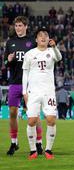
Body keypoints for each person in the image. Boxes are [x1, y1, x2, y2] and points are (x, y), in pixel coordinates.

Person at [3, 16, 43, 156]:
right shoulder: (10, 42)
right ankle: (14, 142)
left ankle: (39, 143)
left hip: (31, 84)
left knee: (34, 115)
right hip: (14, 83)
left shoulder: (32, 41)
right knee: (13, 114)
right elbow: (5, 64)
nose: (18, 28)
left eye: (20, 25)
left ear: (26, 26)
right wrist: (8, 61)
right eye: (16, 26)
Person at [22, 27, 62, 159]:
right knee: (32, 120)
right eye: (40, 35)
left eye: (46, 35)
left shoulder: (52, 51)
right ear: (36, 39)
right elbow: (25, 73)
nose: (43, 37)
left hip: (49, 91)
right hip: (33, 92)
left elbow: (59, 58)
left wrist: (55, 47)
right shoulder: (30, 54)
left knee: (51, 119)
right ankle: (33, 150)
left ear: (48, 39)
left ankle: (49, 150)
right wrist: (24, 91)